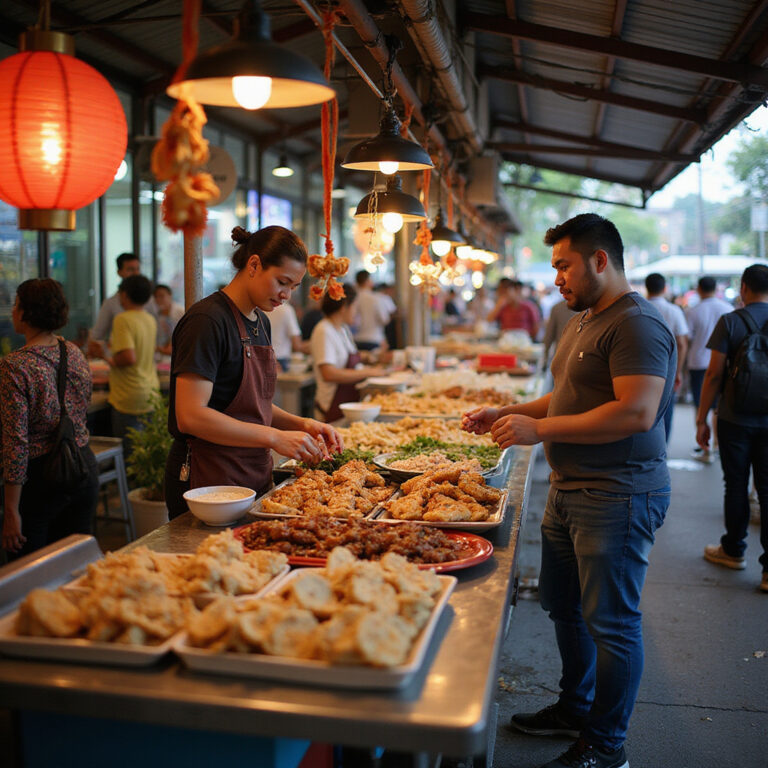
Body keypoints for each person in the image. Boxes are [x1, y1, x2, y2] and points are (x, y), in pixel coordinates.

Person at [463, 213, 675, 768]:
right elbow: (564, 396)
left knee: (612, 623)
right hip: (569, 490)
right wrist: (506, 411)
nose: (555, 277)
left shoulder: (638, 325)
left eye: (563, 265)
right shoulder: (583, 318)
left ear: (599, 260)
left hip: (618, 495)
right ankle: (576, 707)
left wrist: (543, 431)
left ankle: (608, 746)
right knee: (564, 606)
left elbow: (636, 411)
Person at [164, 226, 342, 520]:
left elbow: (251, 405)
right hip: (208, 481)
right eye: (282, 282)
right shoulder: (207, 321)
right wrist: (273, 437)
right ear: (254, 264)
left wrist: (303, 424)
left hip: (251, 472)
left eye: (294, 287)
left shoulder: (261, 321)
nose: (286, 295)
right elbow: (191, 415)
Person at [0, 279, 98, 558]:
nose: (12, 312)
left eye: (16, 305)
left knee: (31, 574)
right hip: (82, 466)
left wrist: (11, 510)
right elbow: (84, 405)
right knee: (76, 565)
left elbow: (16, 443)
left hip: (41, 479)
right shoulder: (73, 352)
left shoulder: (14, 366)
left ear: (27, 312)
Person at [695, 264, 768, 593]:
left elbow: (713, 374)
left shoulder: (731, 321)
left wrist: (701, 417)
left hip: (734, 417)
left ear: (744, 287)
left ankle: (733, 550)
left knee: (735, 484)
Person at [310, 285, 386, 422]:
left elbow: (351, 355)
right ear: (344, 306)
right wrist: (369, 372)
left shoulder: (342, 329)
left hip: (346, 403)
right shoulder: (324, 330)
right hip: (331, 407)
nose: (356, 312)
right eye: (355, 307)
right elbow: (329, 373)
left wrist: (371, 357)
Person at [107, 275, 160, 459]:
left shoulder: (123, 319)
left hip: (129, 395)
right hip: (150, 392)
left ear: (125, 295)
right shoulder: (149, 319)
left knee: (131, 459)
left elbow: (129, 358)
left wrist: (104, 357)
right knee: (147, 455)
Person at [686, 276, 732, 461]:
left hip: (698, 363)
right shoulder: (728, 309)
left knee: (701, 406)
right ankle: (717, 445)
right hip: (723, 363)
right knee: (718, 407)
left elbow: (687, 339)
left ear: (699, 289)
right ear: (716, 289)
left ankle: (704, 447)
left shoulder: (693, 311)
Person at [645, 272, 689, 442]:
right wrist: (678, 371)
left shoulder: (636, 308)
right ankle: (663, 447)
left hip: (641, 368)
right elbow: (682, 343)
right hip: (666, 368)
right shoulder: (673, 310)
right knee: (666, 410)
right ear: (665, 288)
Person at [88, 253, 156, 358]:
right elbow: (97, 335)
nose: (136, 273)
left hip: (147, 359)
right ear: (119, 272)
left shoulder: (149, 300)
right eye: (130, 269)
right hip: (121, 361)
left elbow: (157, 336)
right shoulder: (111, 303)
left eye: (138, 269)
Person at [541, 298, 577, 392]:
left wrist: (545, 359)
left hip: (560, 357)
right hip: (579, 358)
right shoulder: (590, 309)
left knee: (557, 391)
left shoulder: (557, 307)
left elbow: (549, 337)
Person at [353, 270, 392, 352]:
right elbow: (384, 319)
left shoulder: (353, 298)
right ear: (368, 281)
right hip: (374, 339)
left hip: (356, 339)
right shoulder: (376, 298)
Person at [269, 300, 304, 371]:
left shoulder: (260, 308)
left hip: (263, 358)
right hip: (281, 360)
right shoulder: (287, 309)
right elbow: (297, 345)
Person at [153, 284, 185, 357]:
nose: (158, 299)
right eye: (156, 297)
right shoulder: (159, 315)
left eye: (161, 296)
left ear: (170, 295)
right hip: (164, 355)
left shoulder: (180, 312)